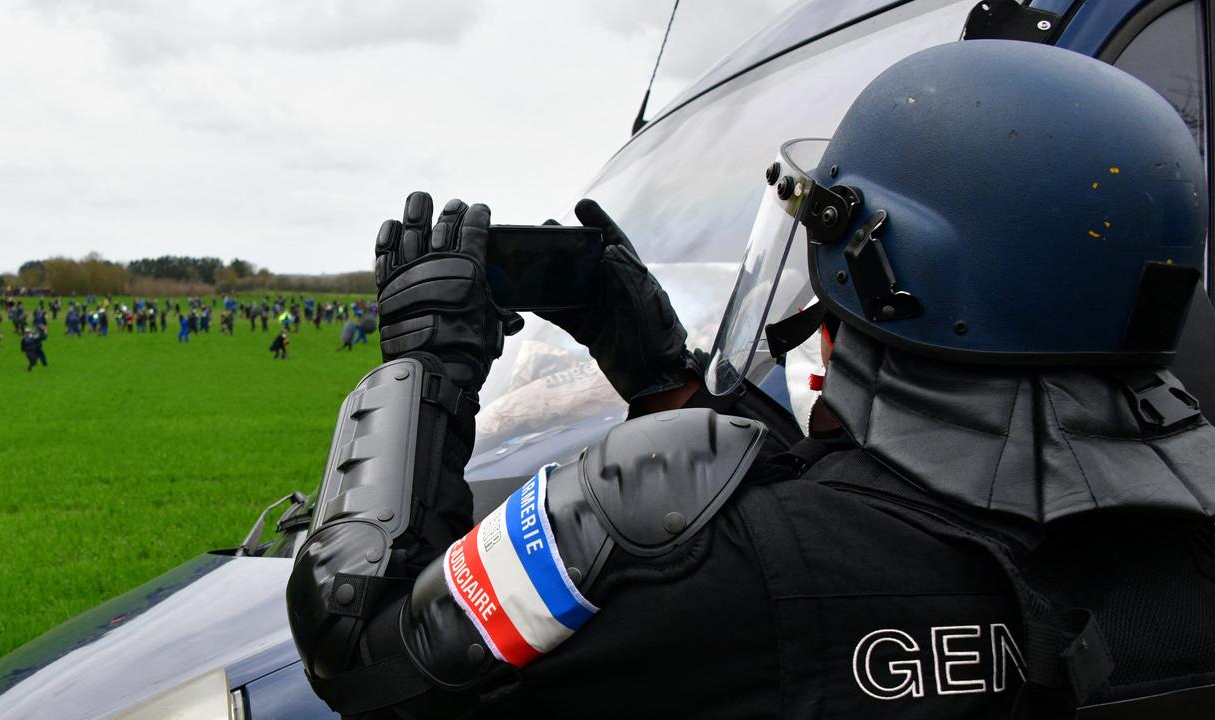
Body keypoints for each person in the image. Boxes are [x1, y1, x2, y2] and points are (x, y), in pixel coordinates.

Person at [285, 41, 1215, 718]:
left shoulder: (753, 571)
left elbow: (370, 660)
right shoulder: (1185, 549)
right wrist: (659, 376)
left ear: (896, 273)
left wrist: (426, 364)